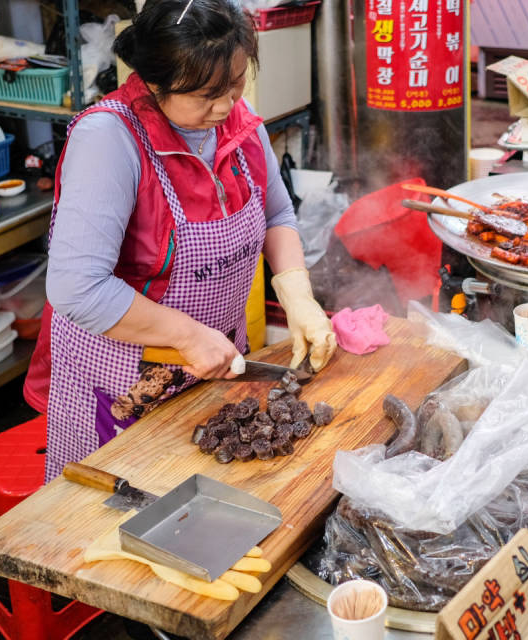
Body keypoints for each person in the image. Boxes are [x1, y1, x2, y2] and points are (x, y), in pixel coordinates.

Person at [23, 0, 336, 482]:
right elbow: (77, 288)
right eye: (207, 94)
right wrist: (188, 336)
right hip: (121, 386)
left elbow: (277, 212)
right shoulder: (109, 140)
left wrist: (297, 295)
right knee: (125, 509)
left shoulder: (236, 122)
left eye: (235, 83)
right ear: (155, 82)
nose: (226, 106)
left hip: (213, 370)